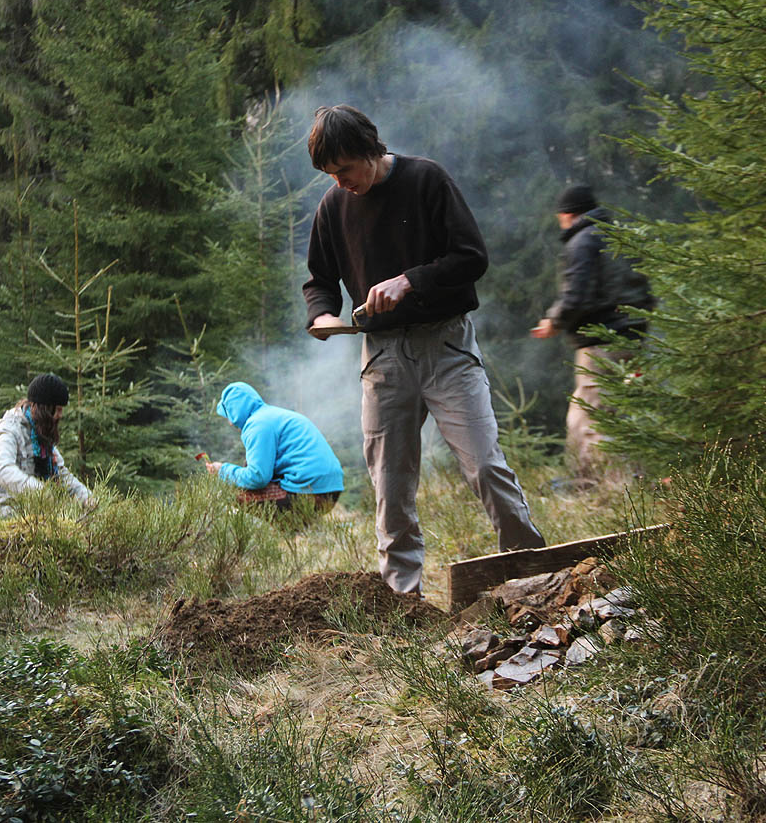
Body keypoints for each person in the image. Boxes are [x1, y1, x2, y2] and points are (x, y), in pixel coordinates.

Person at [302, 104, 544, 595]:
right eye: (330, 174)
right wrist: (322, 315)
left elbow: (471, 257)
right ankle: (402, 600)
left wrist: (411, 281)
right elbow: (319, 281)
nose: (340, 181)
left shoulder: (427, 180)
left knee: (485, 464)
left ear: (369, 149)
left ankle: (533, 572)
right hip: (382, 356)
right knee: (390, 485)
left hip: (447, 346)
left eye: (344, 169)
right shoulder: (333, 207)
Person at [530, 184, 655, 480]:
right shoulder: (617, 235)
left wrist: (553, 321)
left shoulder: (582, 241)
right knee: (614, 412)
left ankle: (605, 490)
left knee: (590, 417)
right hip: (633, 339)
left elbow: (577, 296)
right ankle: (612, 480)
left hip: (603, 342)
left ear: (568, 214)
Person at [204, 381, 344, 514]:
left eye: (228, 415)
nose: (229, 423)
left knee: (230, 494)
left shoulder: (257, 425)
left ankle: (282, 535)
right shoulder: (271, 416)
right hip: (331, 488)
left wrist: (222, 471)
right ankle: (296, 534)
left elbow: (257, 477)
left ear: (236, 411)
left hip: (310, 492)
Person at [0, 373, 94, 515]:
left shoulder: (41, 435)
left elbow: (61, 474)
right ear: (45, 409)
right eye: (58, 410)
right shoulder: (9, 429)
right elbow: (3, 470)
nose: (60, 415)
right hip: (3, 513)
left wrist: (88, 498)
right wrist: (40, 491)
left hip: (35, 514)